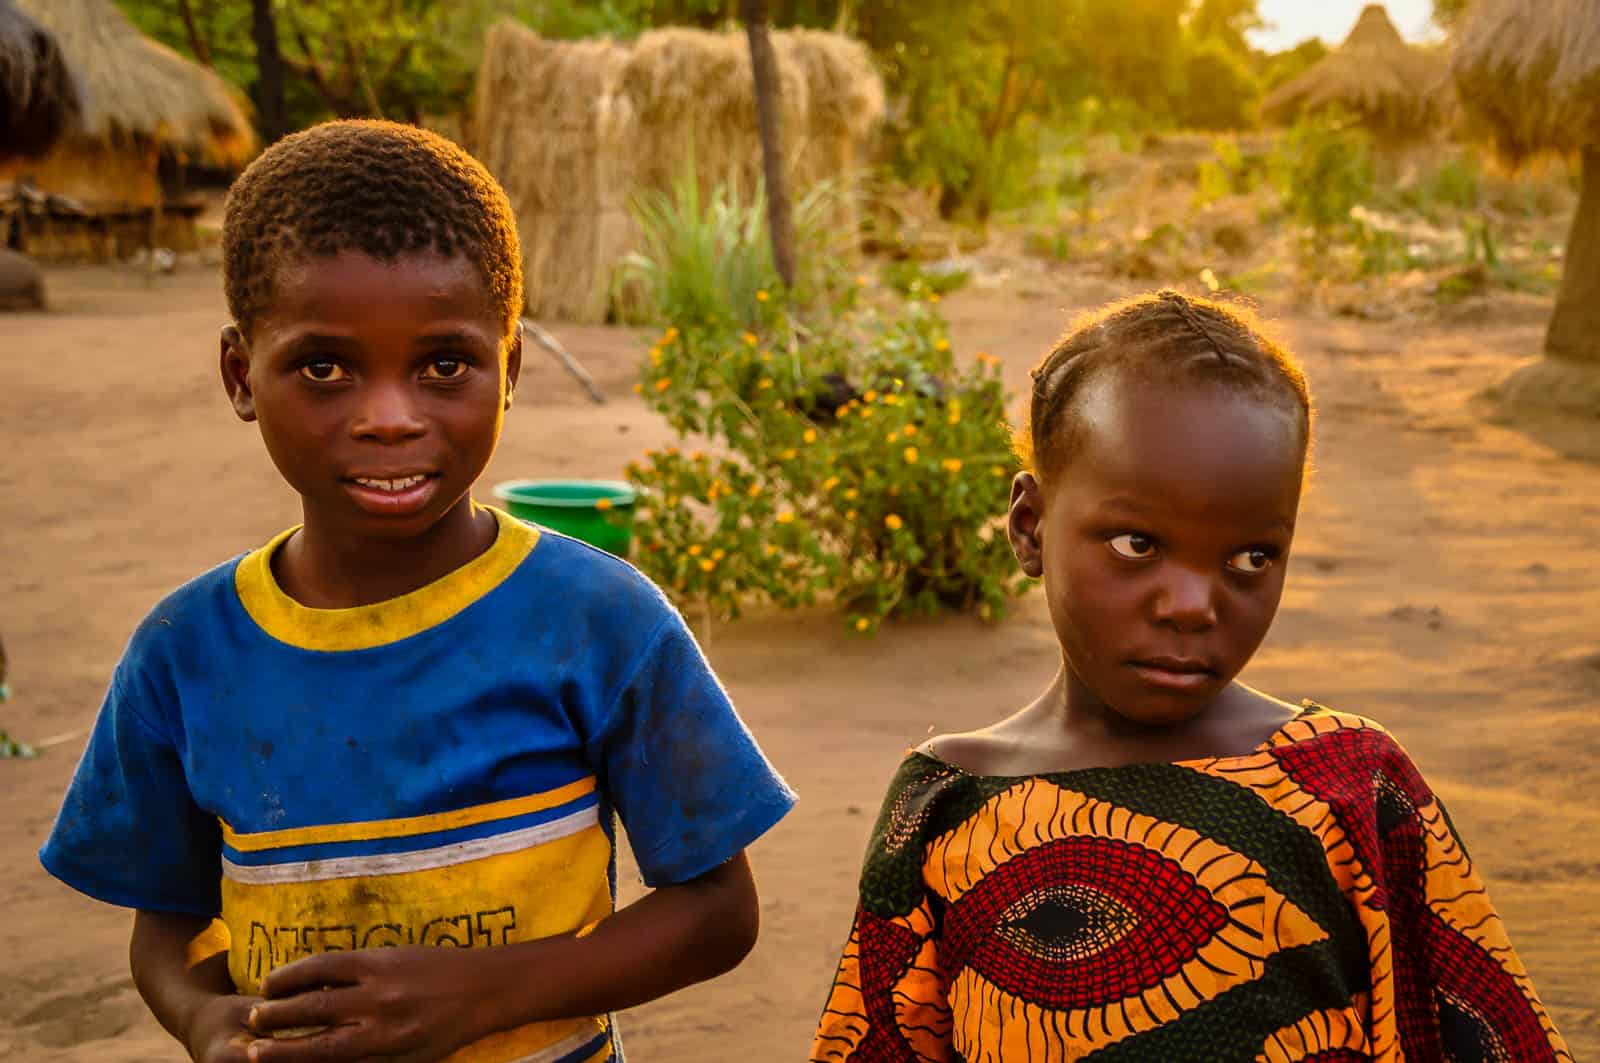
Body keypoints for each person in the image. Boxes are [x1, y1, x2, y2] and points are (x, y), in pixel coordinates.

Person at [40, 120, 795, 1063]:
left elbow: (719, 909)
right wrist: (202, 1016)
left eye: (445, 364)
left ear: (509, 368)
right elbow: (167, 928)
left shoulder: (598, 621)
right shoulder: (185, 653)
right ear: (242, 374)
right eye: (325, 366)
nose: (390, 418)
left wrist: (487, 994)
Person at [809, 291, 1571, 1062]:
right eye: (1138, 543)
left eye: (1251, 558)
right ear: (1030, 526)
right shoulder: (945, 806)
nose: (1192, 605)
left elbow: (1486, 1035)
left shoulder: (1349, 788)